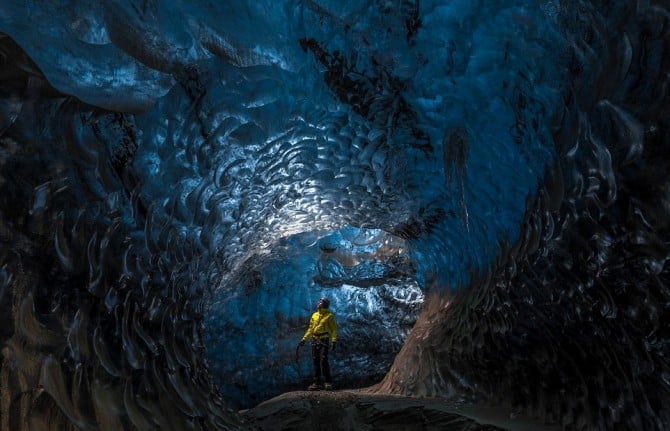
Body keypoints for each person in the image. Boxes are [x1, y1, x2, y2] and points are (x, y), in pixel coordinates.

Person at [299, 297, 338, 390]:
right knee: (315, 361)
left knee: (324, 361)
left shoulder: (329, 316)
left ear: (324, 304)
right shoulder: (314, 315)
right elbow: (311, 329)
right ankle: (317, 383)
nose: (318, 303)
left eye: (320, 302)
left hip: (324, 340)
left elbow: (334, 329)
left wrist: (333, 341)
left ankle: (328, 382)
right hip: (314, 340)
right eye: (319, 301)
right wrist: (304, 339)